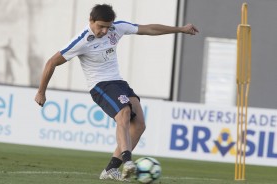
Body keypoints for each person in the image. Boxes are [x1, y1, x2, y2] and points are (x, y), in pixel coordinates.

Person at [34, 4, 198, 182]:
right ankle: (127, 162)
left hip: (118, 82)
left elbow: (149, 28)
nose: (105, 31)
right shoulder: (81, 40)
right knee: (124, 113)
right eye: (101, 26)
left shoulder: (117, 27)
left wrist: (180, 29)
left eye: (108, 26)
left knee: (140, 124)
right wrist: (41, 92)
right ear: (91, 20)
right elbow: (51, 62)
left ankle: (111, 169)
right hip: (99, 85)